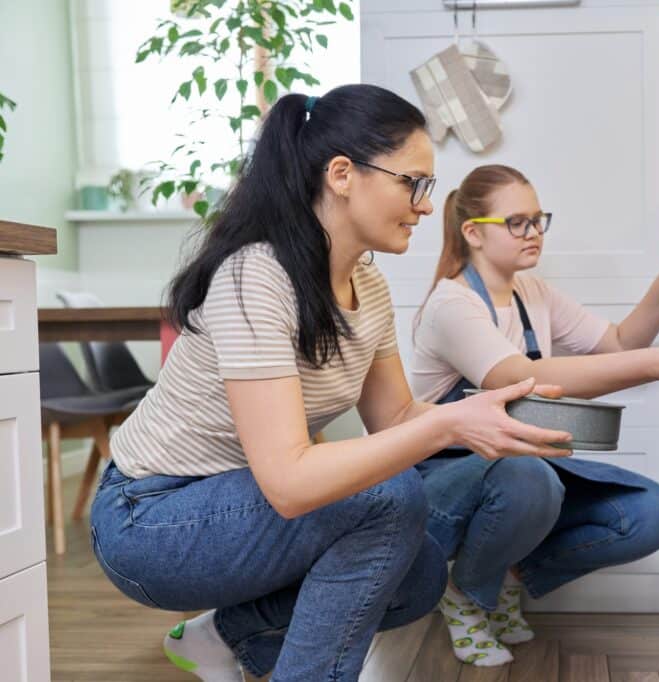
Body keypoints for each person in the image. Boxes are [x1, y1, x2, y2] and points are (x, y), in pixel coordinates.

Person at [89, 87, 573, 682]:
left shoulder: (367, 287)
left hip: (242, 510)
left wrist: (483, 418)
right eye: (413, 183)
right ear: (343, 174)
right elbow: (291, 483)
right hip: (151, 518)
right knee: (391, 496)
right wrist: (448, 424)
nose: (426, 206)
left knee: (418, 576)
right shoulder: (256, 276)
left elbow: (395, 417)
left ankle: (223, 634)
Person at [410, 164, 659, 666]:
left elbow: (619, 343)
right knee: (529, 475)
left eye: (538, 219)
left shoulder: (532, 293)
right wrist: (658, 367)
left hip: (520, 464)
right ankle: (466, 595)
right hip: (442, 479)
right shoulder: (453, 304)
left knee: (649, 513)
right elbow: (519, 376)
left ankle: (503, 582)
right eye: (517, 222)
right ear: (473, 233)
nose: (534, 232)